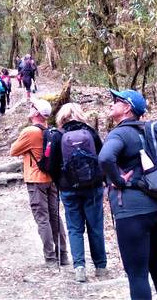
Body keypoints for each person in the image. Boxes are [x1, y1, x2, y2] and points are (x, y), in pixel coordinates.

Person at [98, 89, 157, 300]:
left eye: (116, 101)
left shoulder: (120, 133)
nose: (111, 104)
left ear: (127, 108)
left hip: (131, 211)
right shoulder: (146, 132)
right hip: (155, 205)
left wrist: (118, 180)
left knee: (137, 274)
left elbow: (104, 158)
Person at [46, 103, 107, 283]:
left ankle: (79, 267)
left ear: (61, 117)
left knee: (75, 229)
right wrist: (103, 180)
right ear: (80, 114)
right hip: (93, 187)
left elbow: (51, 166)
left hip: (68, 189)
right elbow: (102, 157)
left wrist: (60, 182)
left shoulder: (57, 136)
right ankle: (101, 267)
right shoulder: (91, 132)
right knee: (95, 227)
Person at [9, 98, 69, 268]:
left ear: (36, 113)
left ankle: (50, 258)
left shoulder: (30, 131)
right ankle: (63, 255)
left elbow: (13, 150)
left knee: (42, 219)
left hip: (35, 180)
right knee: (55, 217)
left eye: (32, 106)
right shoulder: (50, 131)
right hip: (51, 179)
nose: (29, 108)